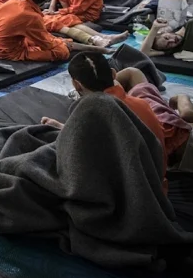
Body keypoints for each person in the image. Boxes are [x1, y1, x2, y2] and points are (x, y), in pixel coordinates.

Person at [41, 52, 168, 194]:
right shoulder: (142, 104)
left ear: (76, 85)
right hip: (157, 182)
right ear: (113, 74)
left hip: (131, 193)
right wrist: (64, 128)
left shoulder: (90, 116)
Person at [0, 0, 112, 62]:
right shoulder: (32, 17)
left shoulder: (12, 2)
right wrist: (60, 42)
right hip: (7, 51)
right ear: (45, 1)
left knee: (60, 28)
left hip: (1, 41)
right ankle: (94, 45)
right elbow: (46, 44)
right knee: (61, 51)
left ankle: (96, 42)